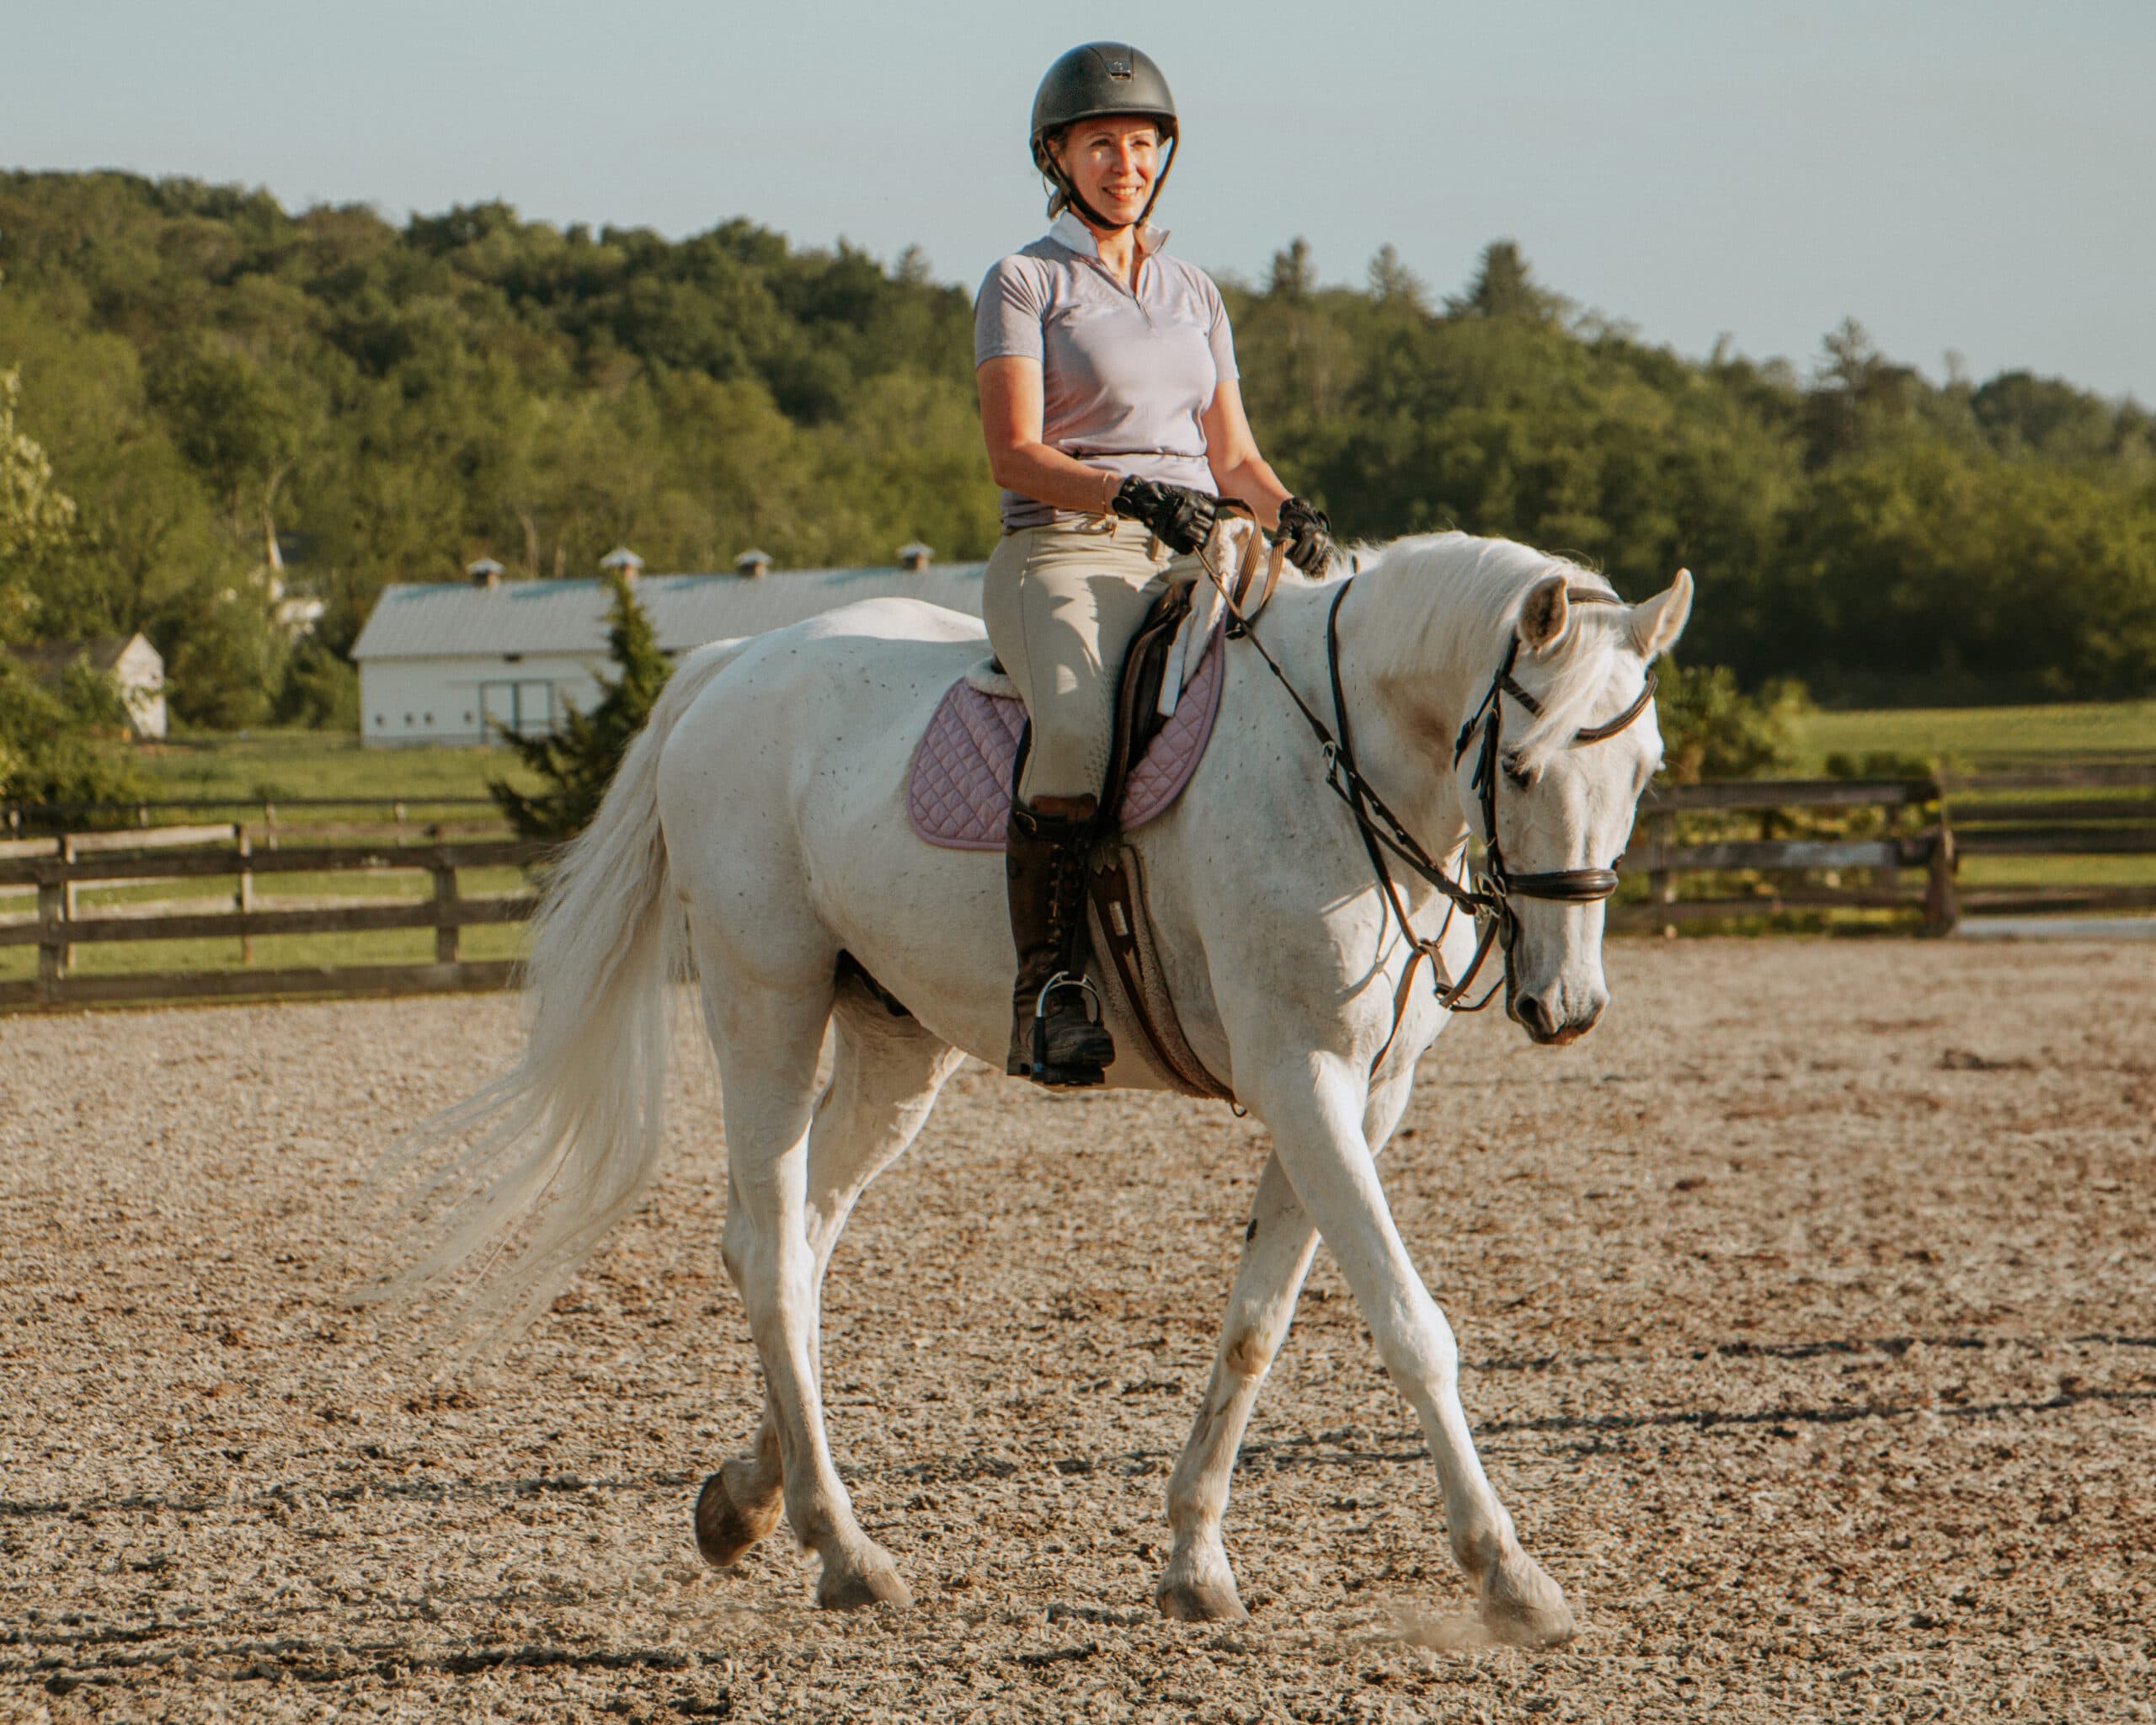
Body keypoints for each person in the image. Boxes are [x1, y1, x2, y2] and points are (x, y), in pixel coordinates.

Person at [975, 41, 1338, 1088]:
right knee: (1082, 727)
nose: (1123, 163)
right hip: (1065, 546)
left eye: (1141, 144)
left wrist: (1288, 511)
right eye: (1100, 145)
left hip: (1200, 544)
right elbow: (1014, 450)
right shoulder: (1024, 280)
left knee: (1317, 680)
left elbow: (1234, 457)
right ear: (1057, 155)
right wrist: (1125, 490)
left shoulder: (1193, 291)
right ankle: (1048, 985)